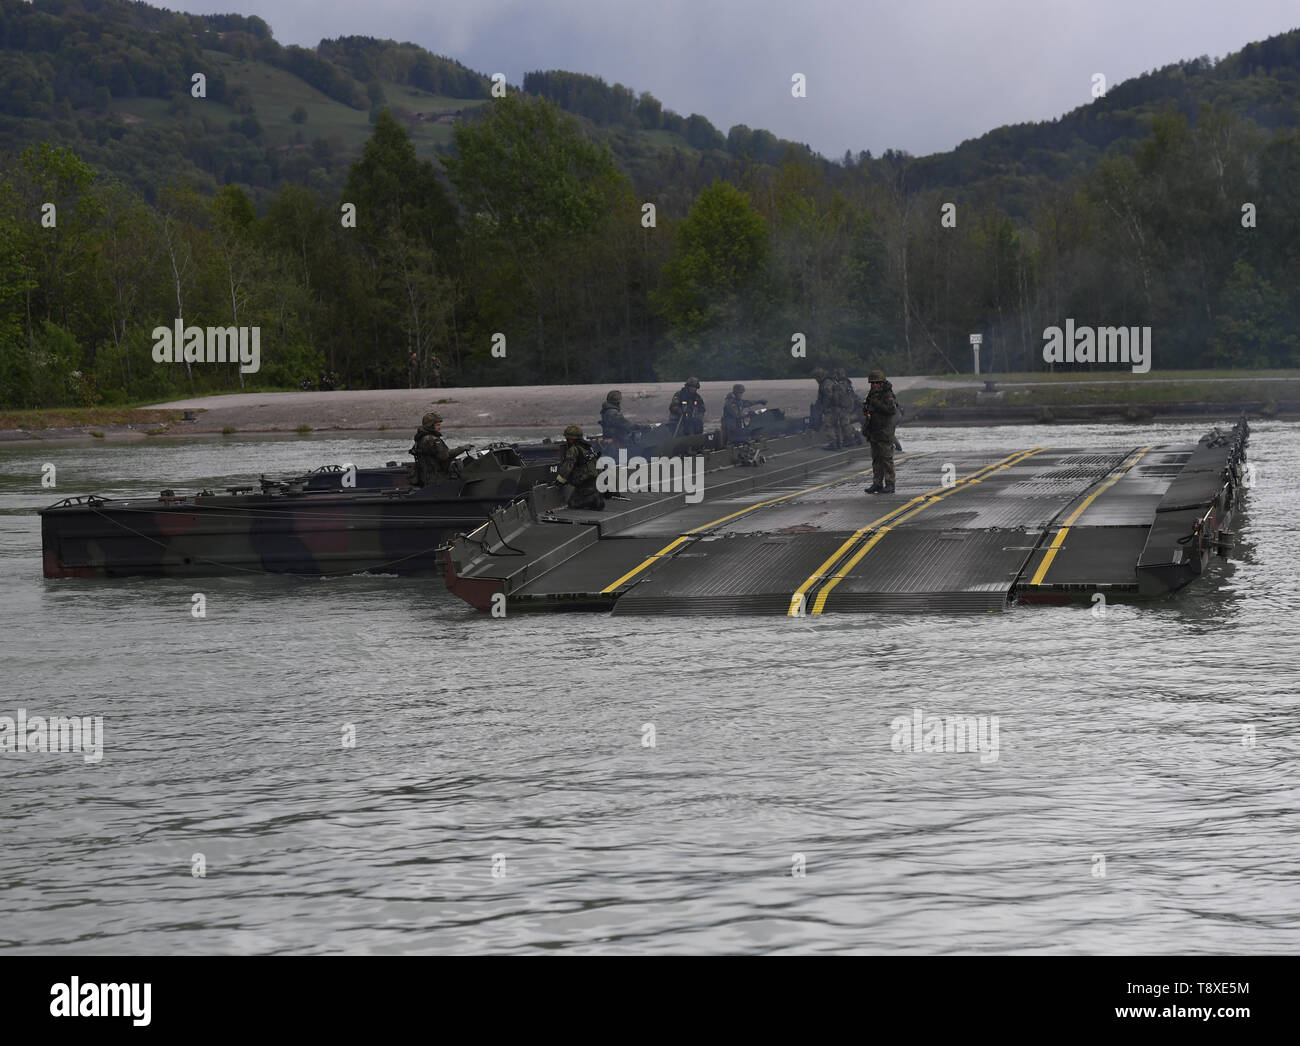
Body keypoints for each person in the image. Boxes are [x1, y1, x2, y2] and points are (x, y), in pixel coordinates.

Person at [409, 411, 471, 487]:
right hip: (436, 479)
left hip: (426, 477)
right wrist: (462, 448)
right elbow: (444, 456)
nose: (440, 427)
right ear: (430, 426)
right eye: (437, 425)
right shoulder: (432, 439)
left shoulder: (420, 438)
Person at [863, 370, 899, 494]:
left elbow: (891, 410)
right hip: (874, 430)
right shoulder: (871, 394)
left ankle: (890, 484)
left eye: (877, 383)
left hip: (884, 431)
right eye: (872, 383)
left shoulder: (887, 394)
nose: (875, 386)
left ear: (882, 383)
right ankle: (877, 483)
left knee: (886, 459)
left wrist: (877, 404)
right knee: (876, 459)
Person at [556, 424, 605, 510]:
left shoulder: (574, 449)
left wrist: (559, 481)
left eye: (567, 438)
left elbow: (567, 466)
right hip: (596, 480)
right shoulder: (588, 447)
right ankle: (595, 499)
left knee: (572, 503)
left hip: (585, 482)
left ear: (571, 439)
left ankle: (593, 499)